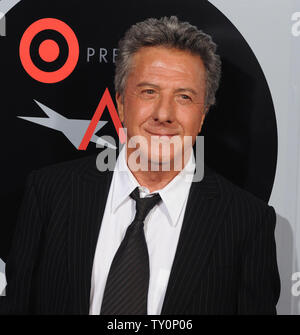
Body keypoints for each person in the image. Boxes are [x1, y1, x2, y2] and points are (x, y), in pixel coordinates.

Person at [0, 16, 280, 315]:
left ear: (202, 115)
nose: (164, 114)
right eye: (149, 92)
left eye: (184, 97)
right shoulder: (49, 193)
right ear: (120, 103)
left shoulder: (247, 222)